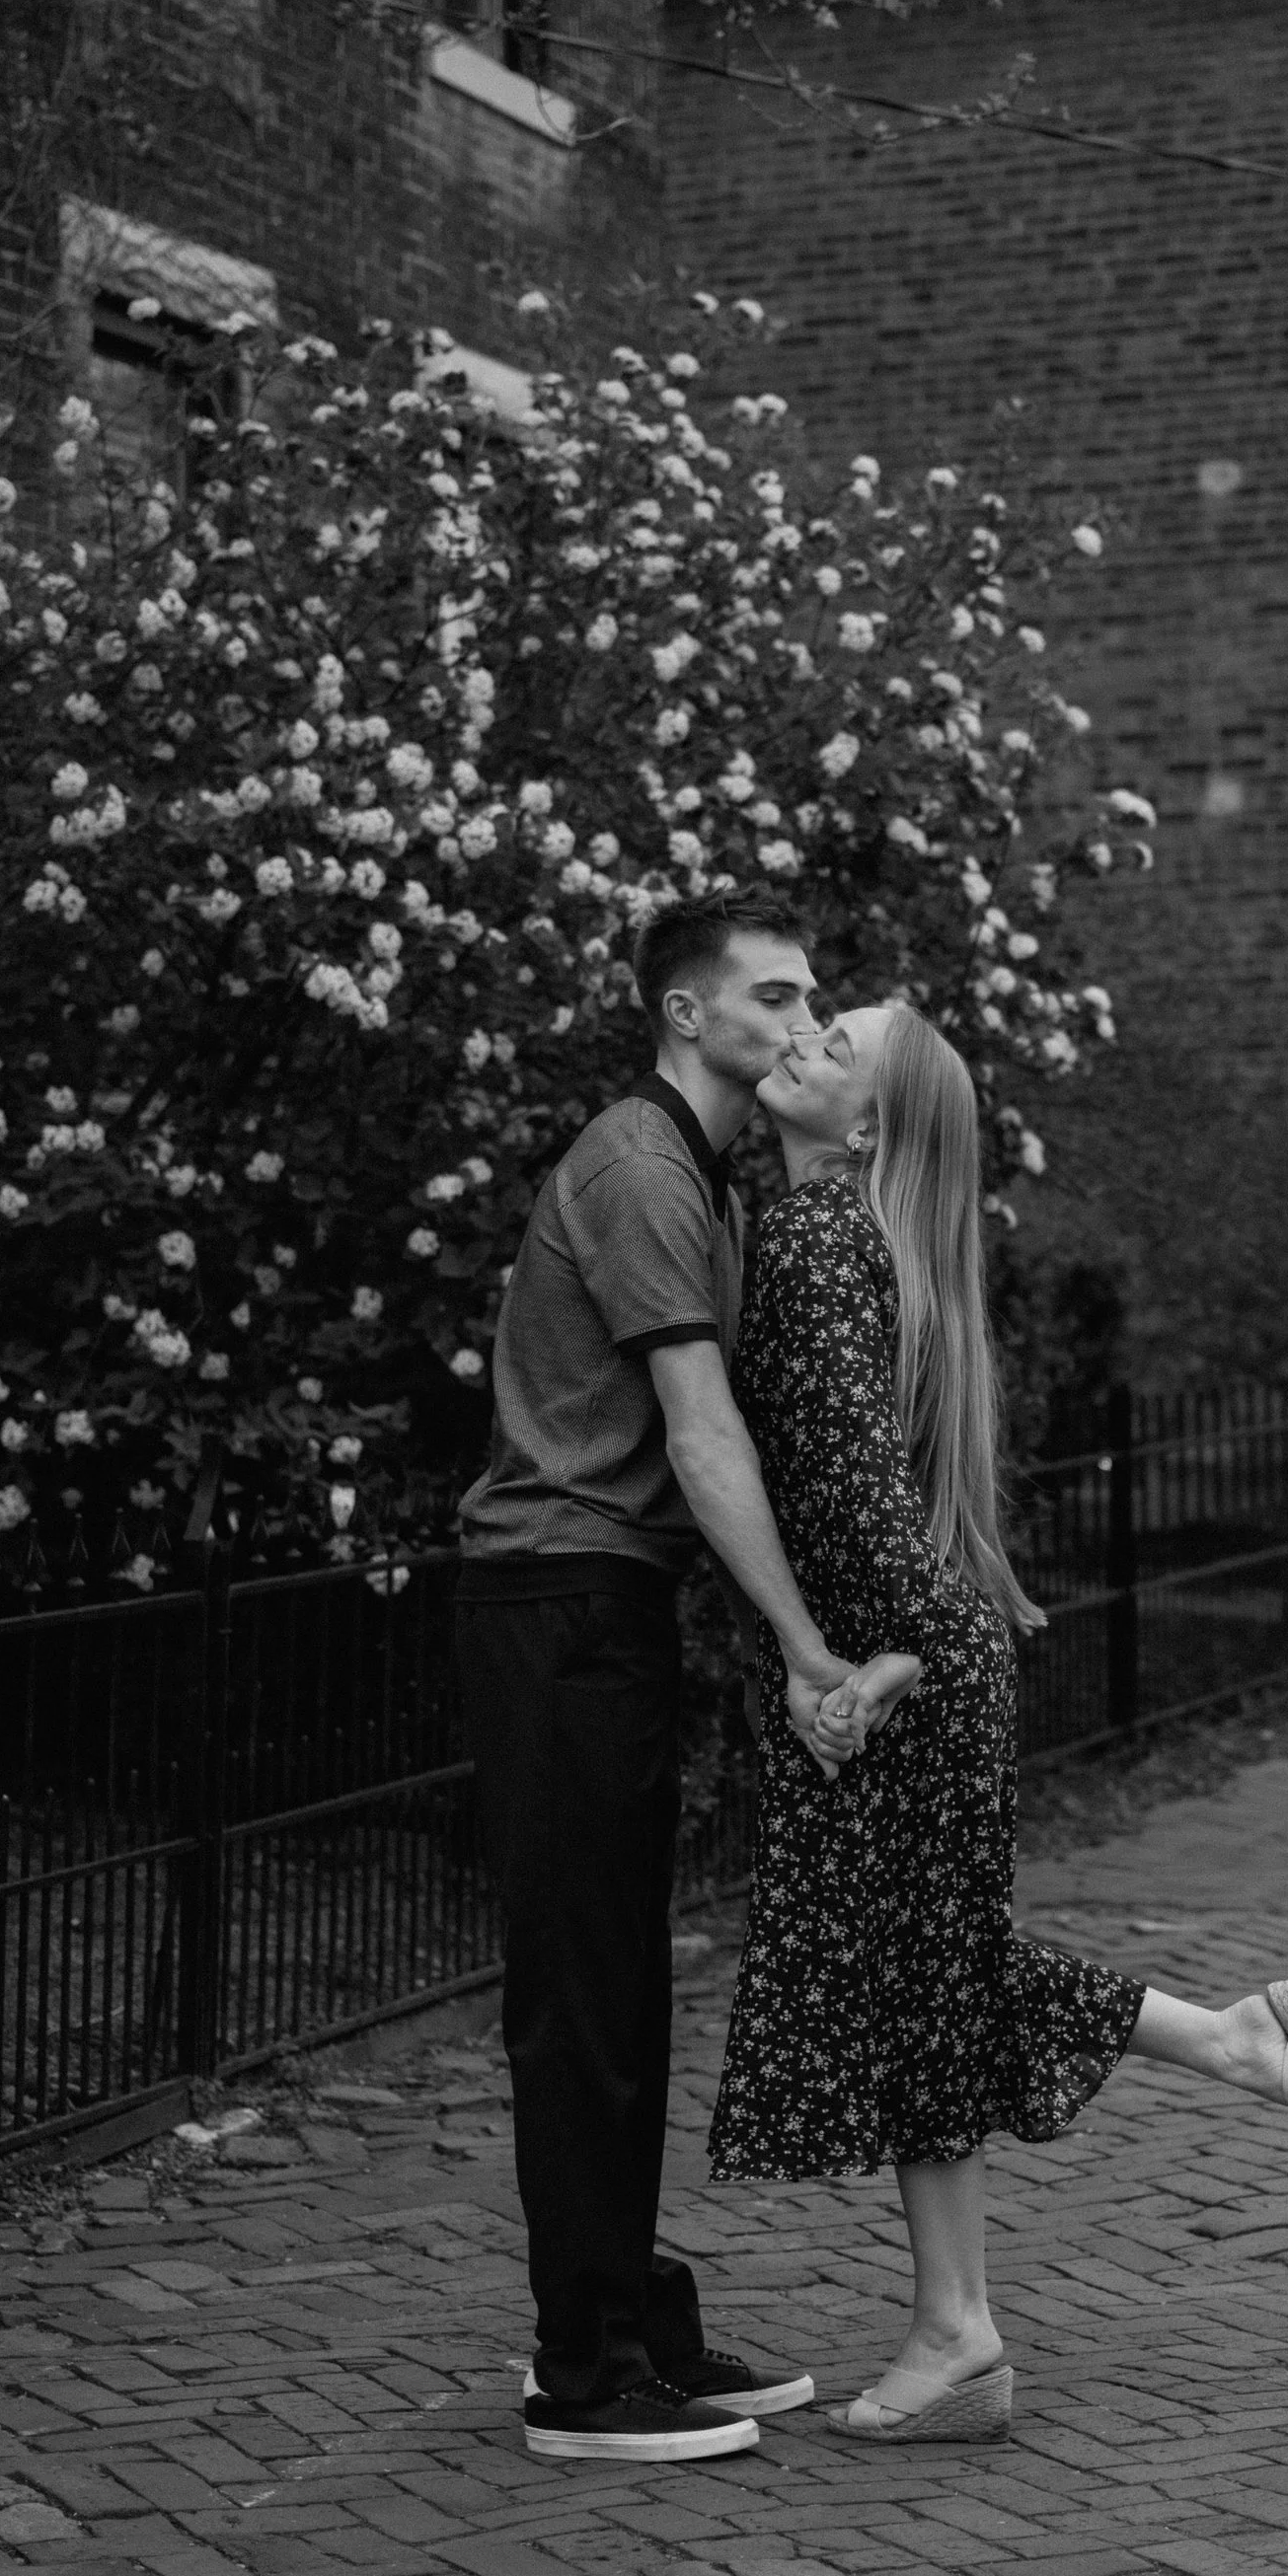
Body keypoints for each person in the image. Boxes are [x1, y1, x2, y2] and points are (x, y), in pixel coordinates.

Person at [707, 996, 1288, 2441]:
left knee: (924, 1985)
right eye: (807, 1025)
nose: (804, 1043)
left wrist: (871, 1657)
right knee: (936, 1970)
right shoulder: (879, 1241)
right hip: (927, 1656)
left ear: (871, 1123)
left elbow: (842, 1493)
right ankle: (1240, 2043)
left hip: (907, 1666)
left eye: (836, 1048)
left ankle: (962, 2331)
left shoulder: (820, 1232)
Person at [458, 896, 869, 2467]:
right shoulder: (641, 1164)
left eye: (812, 994)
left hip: (601, 1603)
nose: (804, 1017)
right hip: (556, 1602)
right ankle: (585, 2367)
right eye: (774, 994)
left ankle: (636, 2306)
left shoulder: (698, 1169)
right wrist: (804, 1641)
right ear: (690, 1017)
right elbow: (701, 1433)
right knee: (580, 2000)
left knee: (624, 1979)